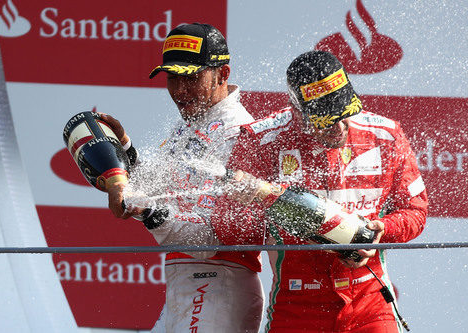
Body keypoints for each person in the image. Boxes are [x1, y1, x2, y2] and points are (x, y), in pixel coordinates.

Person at [212, 50, 428, 332]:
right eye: (326, 119)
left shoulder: (385, 135)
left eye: (346, 113)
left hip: (370, 304)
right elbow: (231, 232)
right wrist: (250, 202)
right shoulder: (260, 142)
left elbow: (415, 212)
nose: (339, 127)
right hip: (298, 303)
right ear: (297, 110)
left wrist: (381, 230)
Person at [101, 23, 263, 333]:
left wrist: (148, 213)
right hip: (189, 286)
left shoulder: (239, 133)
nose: (180, 91)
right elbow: (159, 187)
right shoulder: (188, 124)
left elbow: (211, 242)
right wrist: (125, 151)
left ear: (223, 74)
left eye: (191, 78)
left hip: (219, 285)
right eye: (172, 79)